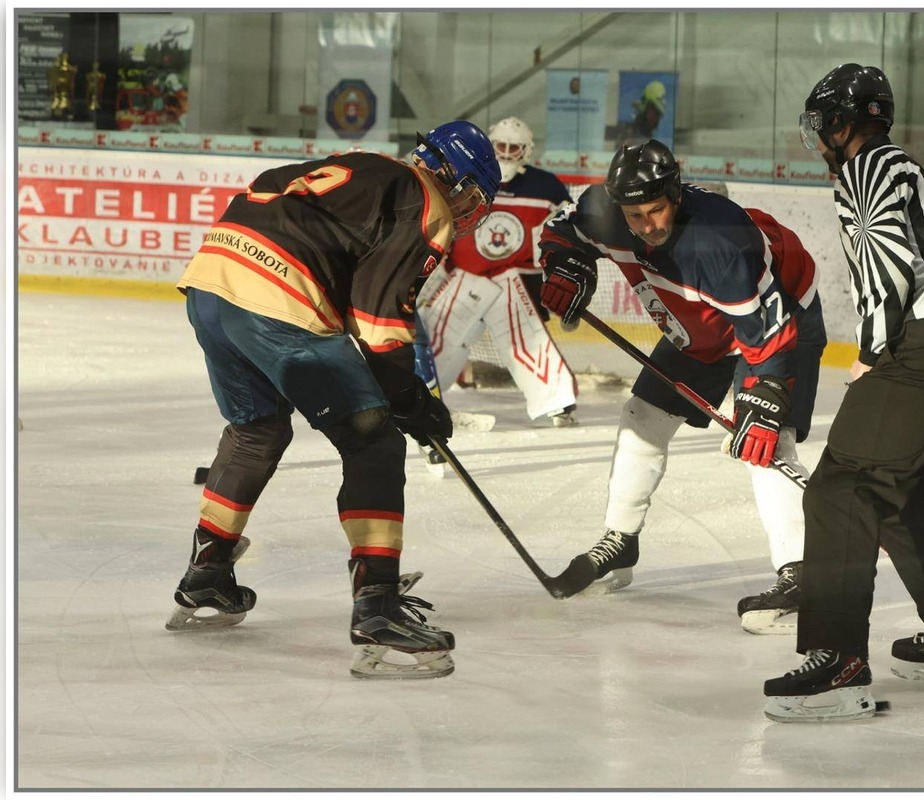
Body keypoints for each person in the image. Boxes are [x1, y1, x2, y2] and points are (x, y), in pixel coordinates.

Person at [165, 121, 502, 680]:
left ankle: (207, 573)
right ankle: (377, 606)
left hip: (209, 283)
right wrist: (406, 399)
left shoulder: (368, 167)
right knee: (374, 441)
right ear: (455, 179)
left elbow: (341, 271)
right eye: (473, 196)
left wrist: (398, 387)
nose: (468, 211)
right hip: (276, 295)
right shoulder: (427, 203)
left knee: (258, 431)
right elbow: (378, 322)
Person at [762, 64, 924, 722]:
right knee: (898, 495)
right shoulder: (904, 168)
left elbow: (884, 262)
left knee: (842, 487)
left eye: (824, 123)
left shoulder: (869, 167)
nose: (821, 138)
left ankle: (838, 661)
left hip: (919, 350)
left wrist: (869, 354)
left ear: (847, 121)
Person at [538, 139, 827, 632]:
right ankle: (621, 540)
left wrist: (764, 398)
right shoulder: (602, 214)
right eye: (635, 214)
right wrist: (567, 265)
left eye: (657, 209)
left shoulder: (719, 238)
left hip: (778, 322)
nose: (649, 225)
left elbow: (769, 335)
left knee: (766, 442)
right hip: (698, 324)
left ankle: (800, 574)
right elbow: (560, 232)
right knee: (642, 417)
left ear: (675, 194)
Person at [416, 116, 580, 429]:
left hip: (514, 280)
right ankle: (416, 391)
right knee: (438, 336)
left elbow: (567, 231)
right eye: (500, 146)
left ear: (527, 151)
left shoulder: (546, 186)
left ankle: (558, 401)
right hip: (463, 275)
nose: (505, 154)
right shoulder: (466, 176)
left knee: (525, 340)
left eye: (514, 148)